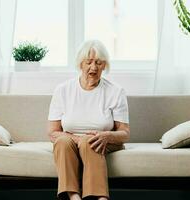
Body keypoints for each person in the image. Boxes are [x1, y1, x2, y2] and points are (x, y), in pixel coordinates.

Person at [47, 40, 130, 200]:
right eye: (89, 62)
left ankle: (99, 198)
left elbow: (124, 133)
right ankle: (73, 196)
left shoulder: (116, 91)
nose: (93, 67)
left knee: (89, 141)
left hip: (103, 141)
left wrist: (107, 135)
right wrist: (78, 139)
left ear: (104, 66)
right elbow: (52, 132)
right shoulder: (63, 90)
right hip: (70, 140)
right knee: (62, 141)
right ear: (80, 64)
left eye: (99, 63)